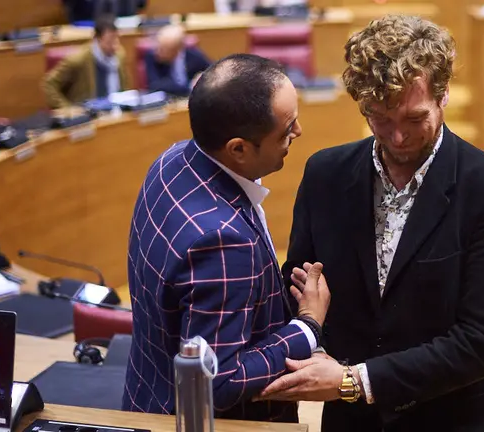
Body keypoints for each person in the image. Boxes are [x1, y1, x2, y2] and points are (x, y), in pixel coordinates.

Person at [257, 15, 484, 431]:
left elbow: (479, 343)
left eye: (414, 119)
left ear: (443, 97)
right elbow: (302, 286)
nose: (398, 137)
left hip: (457, 417)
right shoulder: (325, 174)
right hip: (356, 421)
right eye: (380, 118)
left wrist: (353, 381)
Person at [121, 53, 331, 423]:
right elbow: (215, 384)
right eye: (286, 128)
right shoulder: (223, 241)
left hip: (148, 391)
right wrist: (307, 326)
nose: (297, 132)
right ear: (238, 149)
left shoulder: (171, 161)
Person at [42, 15, 128, 108]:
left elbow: (124, 87)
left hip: (116, 111)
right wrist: (67, 109)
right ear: (98, 39)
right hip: (89, 114)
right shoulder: (78, 59)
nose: (115, 46)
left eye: (117, 39)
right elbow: (49, 84)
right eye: (110, 41)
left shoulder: (119, 54)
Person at [144, 24, 213, 97]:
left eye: (163, 49)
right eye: (158, 47)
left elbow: (213, 71)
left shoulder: (193, 56)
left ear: (177, 50)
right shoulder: (151, 57)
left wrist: (202, 78)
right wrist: (189, 87)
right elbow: (155, 85)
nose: (158, 52)